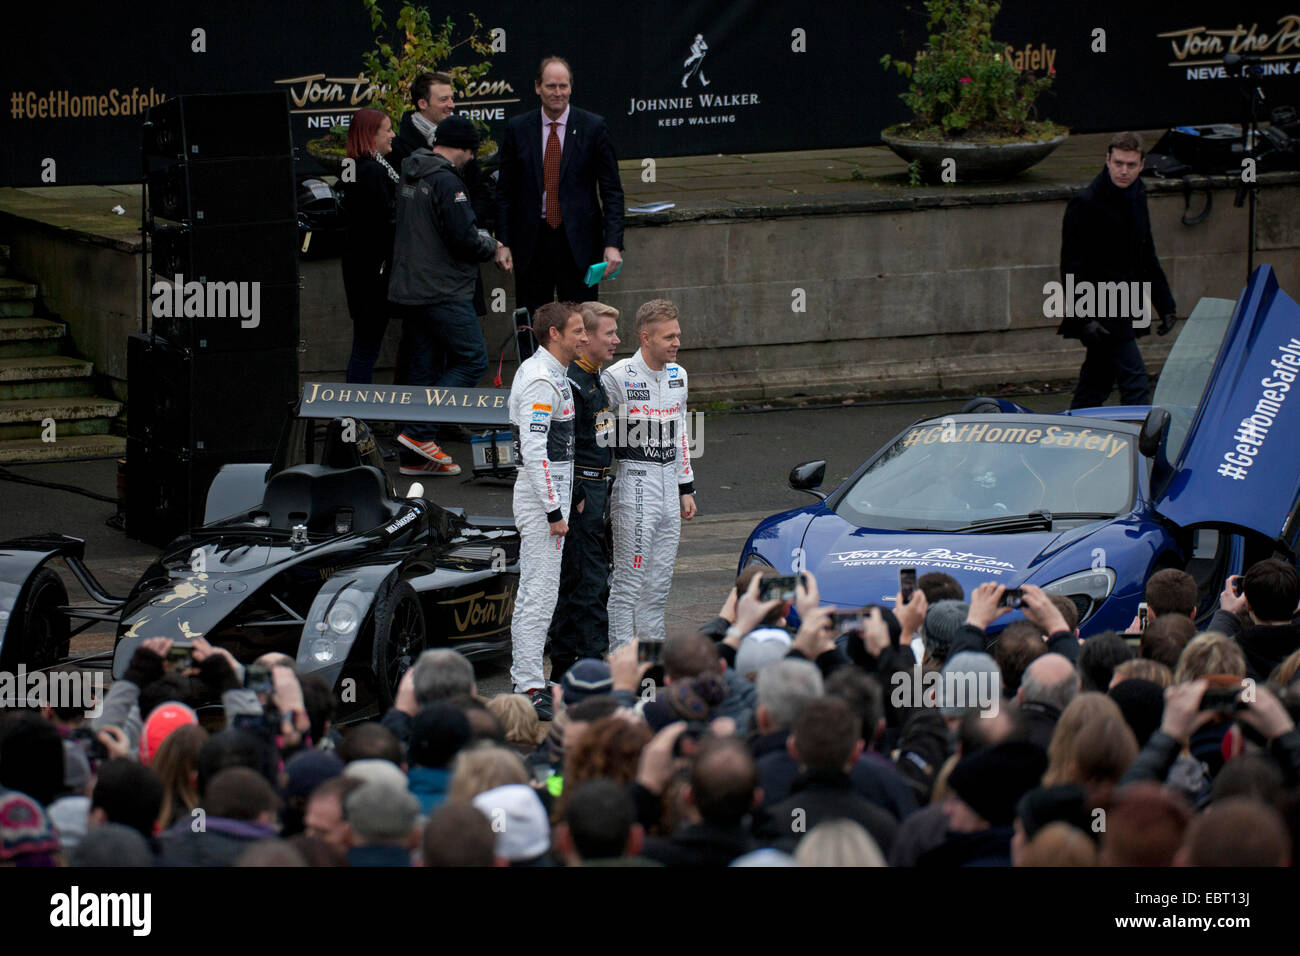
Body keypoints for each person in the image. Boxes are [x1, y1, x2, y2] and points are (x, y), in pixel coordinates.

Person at [387, 114, 500, 477]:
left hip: (411, 287)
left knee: (424, 367)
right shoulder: (446, 180)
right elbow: (464, 238)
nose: (472, 159)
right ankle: (419, 434)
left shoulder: (411, 173)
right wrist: (494, 246)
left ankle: (413, 457)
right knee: (472, 360)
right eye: (471, 152)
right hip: (442, 289)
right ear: (463, 148)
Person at [495, 56, 625, 316]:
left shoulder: (593, 127)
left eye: (563, 86)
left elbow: (611, 191)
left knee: (582, 322)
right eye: (551, 86)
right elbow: (504, 192)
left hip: (579, 244)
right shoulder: (518, 128)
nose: (558, 93)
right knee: (533, 321)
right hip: (532, 243)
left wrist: (612, 243)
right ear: (537, 87)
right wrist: (503, 242)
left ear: (571, 88)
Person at [507, 301, 587, 719]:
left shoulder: (552, 374)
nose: (585, 338)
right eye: (577, 331)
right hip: (541, 501)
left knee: (542, 593)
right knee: (537, 595)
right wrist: (555, 511)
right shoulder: (541, 379)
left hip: (550, 495)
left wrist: (567, 498)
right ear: (554, 334)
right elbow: (536, 452)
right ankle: (527, 683)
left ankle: (528, 678)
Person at [1058, 131, 1177, 408]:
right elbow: (1071, 267)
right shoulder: (1085, 203)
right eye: (1118, 163)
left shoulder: (1137, 195)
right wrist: (1083, 317)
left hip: (1125, 301)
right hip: (1100, 307)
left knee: (1096, 382)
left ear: (1141, 165)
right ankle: (1140, 441)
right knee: (1134, 383)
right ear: (1107, 160)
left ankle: (1073, 436)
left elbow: (1146, 253)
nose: (1123, 171)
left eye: (1131, 165)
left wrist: (1165, 304)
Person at [603, 299, 697, 647]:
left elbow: (681, 432)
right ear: (646, 337)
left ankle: (651, 667)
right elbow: (594, 430)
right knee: (628, 585)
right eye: (669, 337)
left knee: (657, 588)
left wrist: (686, 487)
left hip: (670, 490)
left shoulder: (679, 375)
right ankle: (622, 664)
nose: (676, 343)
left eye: (678, 335)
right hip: (635, 488)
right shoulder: (617, 377)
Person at [548, 302, 620, 681]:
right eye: (609, 333)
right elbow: (558, 442)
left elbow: (603, 437)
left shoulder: (596, 379)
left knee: (591, 580)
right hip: (582, 492)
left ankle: (576, 666)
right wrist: (577, 492)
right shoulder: (572, 383)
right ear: (587, 337)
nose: (616, 340)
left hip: (598, 488)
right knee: (584, 584)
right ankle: (582, 670)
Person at [341, 107, 398, 384]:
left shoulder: (358, 169)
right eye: (387, 130)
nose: (393, 135)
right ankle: (354, 415)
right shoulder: (372, 172)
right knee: (365, 349)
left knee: (365, 346)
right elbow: (381, 225)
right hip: (372, 278)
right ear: (370, 135)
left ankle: (354, 416)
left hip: (363, 275)